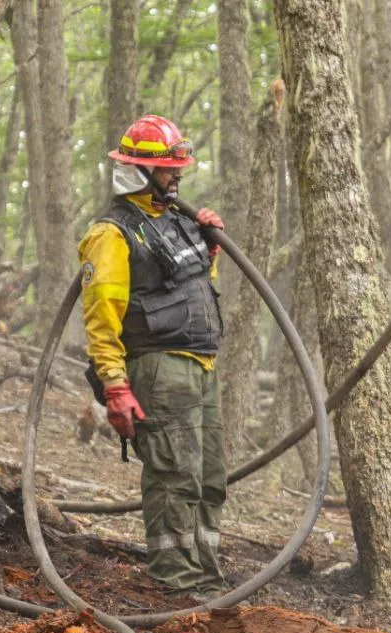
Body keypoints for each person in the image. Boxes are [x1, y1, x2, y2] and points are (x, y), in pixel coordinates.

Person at [79, 114, 228, 594]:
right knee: (174, 477)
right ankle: (176, 583)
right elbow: (103, 315)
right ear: (139, 171)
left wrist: (209, 251)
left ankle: (205, 578)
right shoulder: (112, 233)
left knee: (208, 480)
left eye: (177, 169)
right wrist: (115, 386)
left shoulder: (178, 223)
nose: (177, 178)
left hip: (200, 368)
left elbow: (196, 293)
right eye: (167, 170)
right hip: (159, 370)